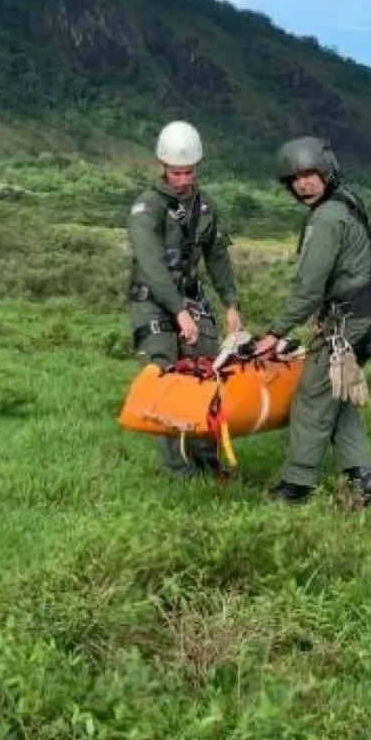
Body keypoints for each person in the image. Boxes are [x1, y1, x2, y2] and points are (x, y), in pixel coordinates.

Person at [253, 136, 371, 505]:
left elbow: (309, 287)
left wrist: (274, 333)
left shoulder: (326, 218)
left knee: (312, 399)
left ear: (325, 171)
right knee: (338, 393)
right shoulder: (348, 200)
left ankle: (296, 487)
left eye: (309, 174)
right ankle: (365, 478)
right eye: (295, 178)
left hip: (352, 320)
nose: (303, 184)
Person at [127, 121, 242, 478]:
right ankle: (179, 470)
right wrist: (178, 312)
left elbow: (217, 257)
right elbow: (151, 265)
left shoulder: (205, 207)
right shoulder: (147, 208)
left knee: (208, 373)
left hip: (191, 299)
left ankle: (208, 460)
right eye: (176, 172)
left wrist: (231, 303)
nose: (182, 179)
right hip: (153, 300)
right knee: (166, 374)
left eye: (188, 172)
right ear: (162, 166)